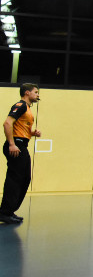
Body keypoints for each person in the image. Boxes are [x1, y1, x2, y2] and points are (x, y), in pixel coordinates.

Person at [1, 83, 41, 224]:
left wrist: (32, 133)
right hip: (16, 146)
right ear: (27, 93)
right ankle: (5, 212)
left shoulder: (28, 109)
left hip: (22, 145)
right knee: (15, 179)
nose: (38, 95)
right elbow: (7, 123)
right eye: (35, 92)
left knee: (24, 178)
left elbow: (19, 127)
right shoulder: (21, 105)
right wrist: (12, 144)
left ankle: (9, 210)